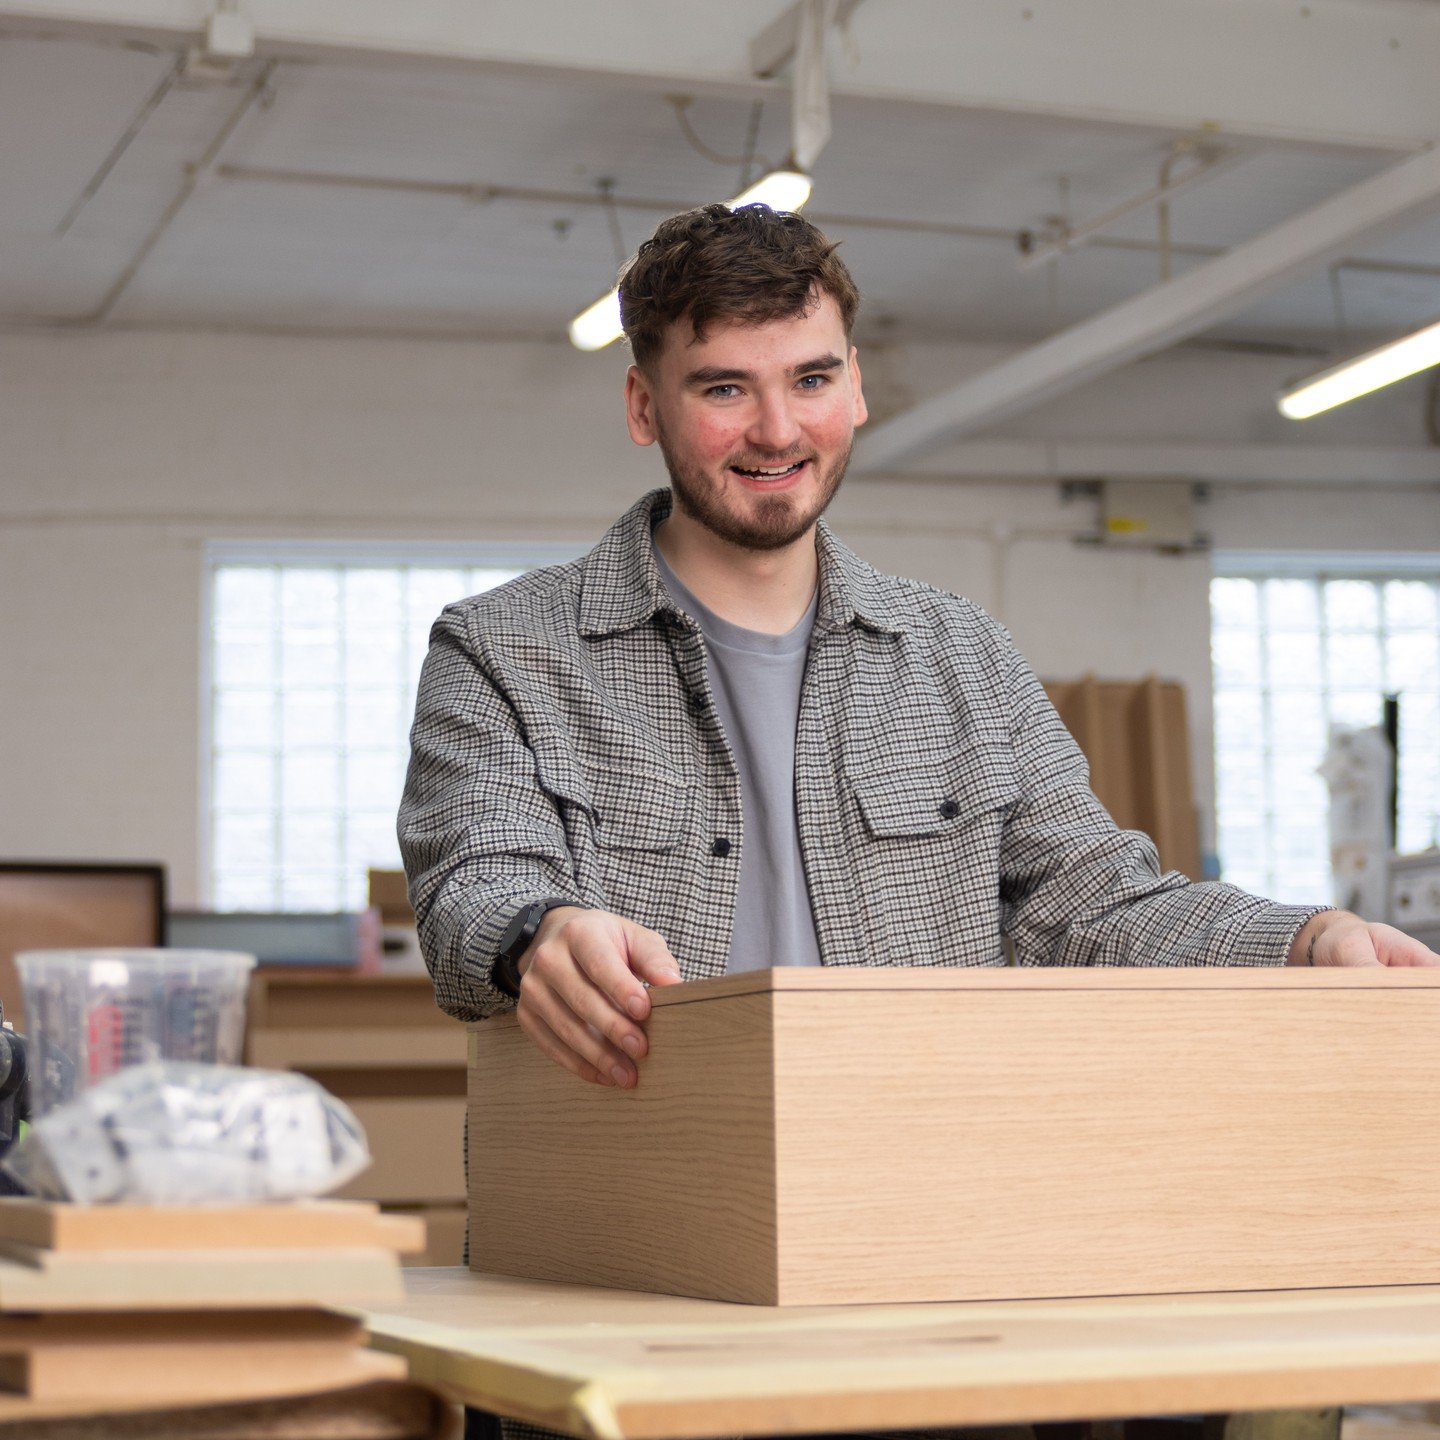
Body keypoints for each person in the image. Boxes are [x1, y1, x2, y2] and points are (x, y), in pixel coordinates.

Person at [398, 202, 1439, 1096]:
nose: (775, 430)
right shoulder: (504, 653)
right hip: (638, 1222)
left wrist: (1304, 941)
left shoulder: (960, 657)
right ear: (643, 406)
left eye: (809, 380)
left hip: (909, 1205)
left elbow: (1095, 907)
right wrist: (539, 937)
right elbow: (470, 893)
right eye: (723, 389)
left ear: (855, 386)